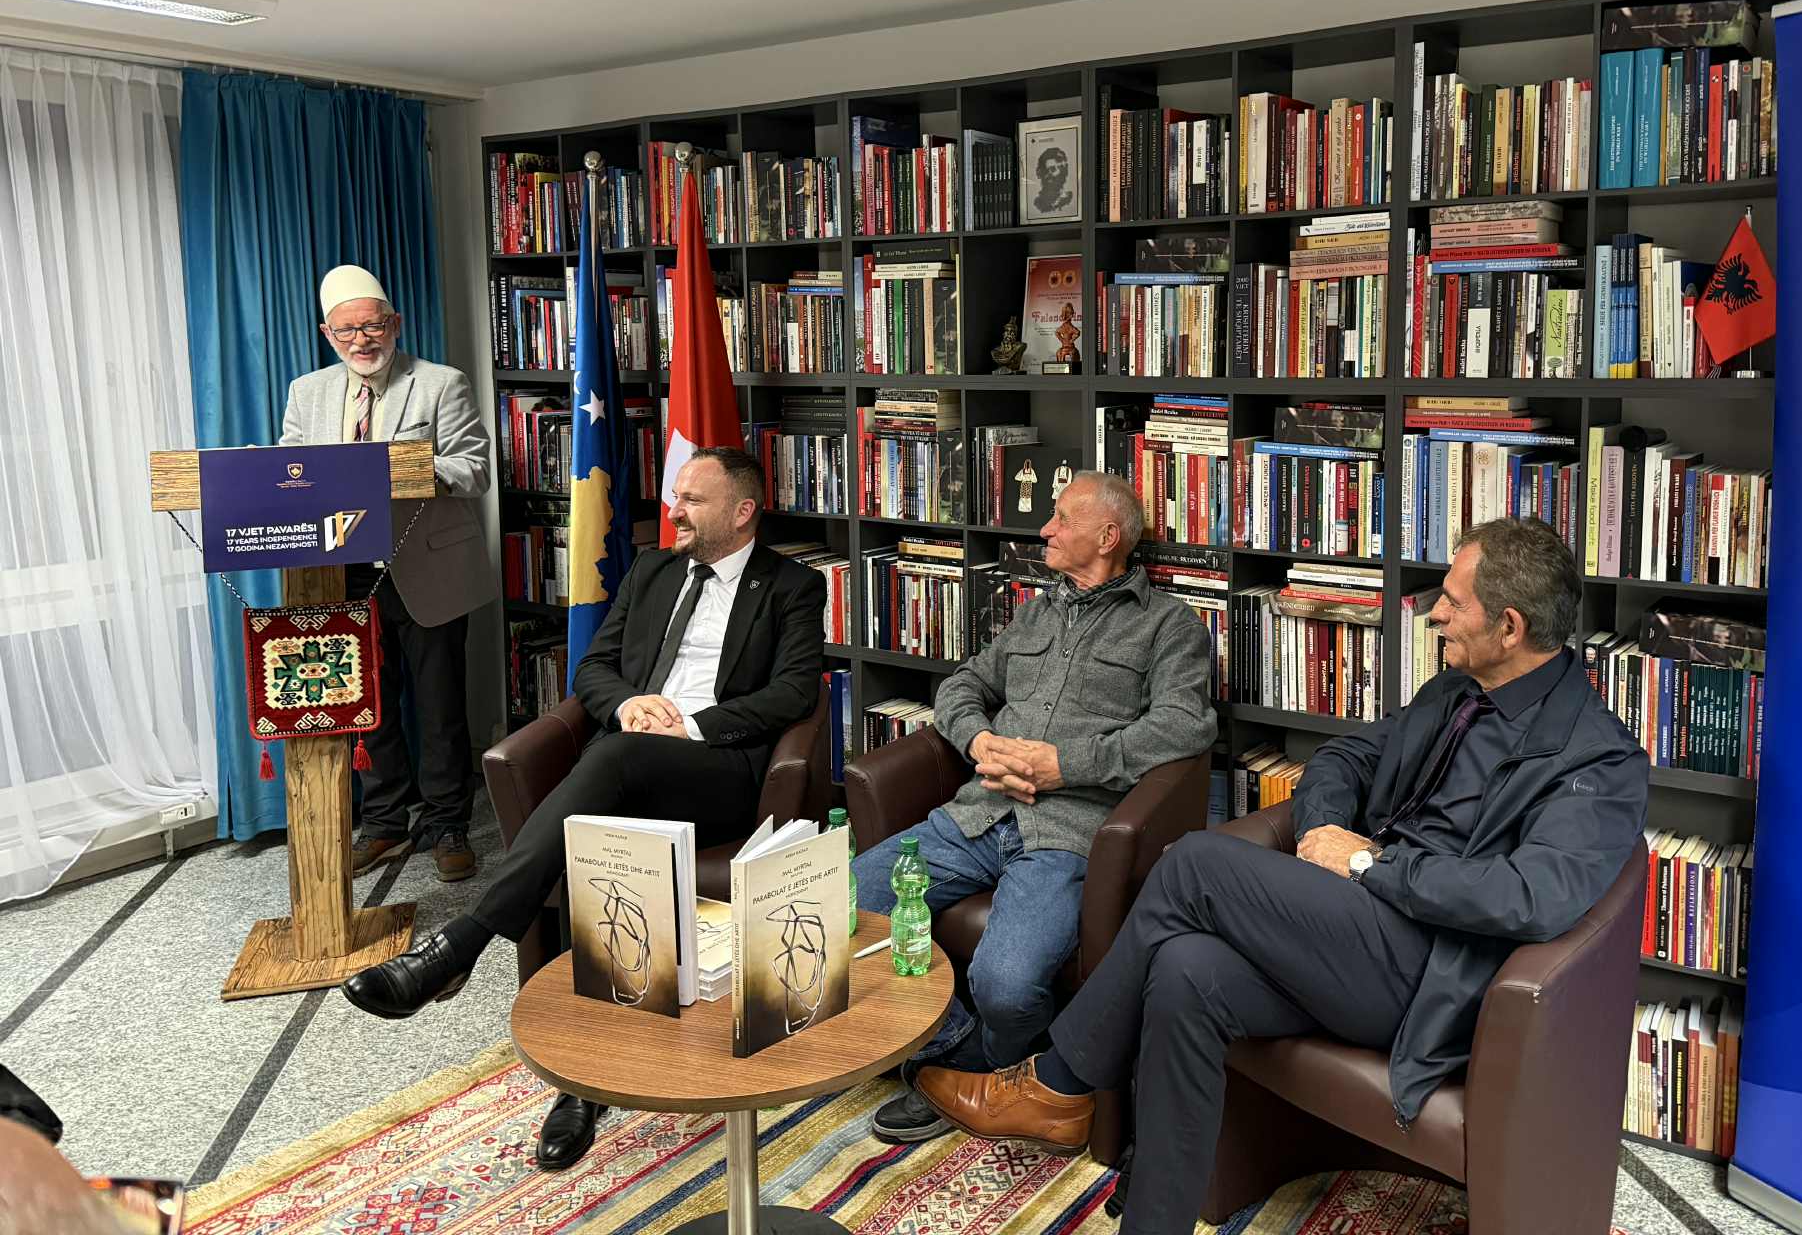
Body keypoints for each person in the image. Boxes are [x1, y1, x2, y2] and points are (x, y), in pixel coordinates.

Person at [915, 517, 1650, 1235]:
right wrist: (1326, 834)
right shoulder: (1458, 691)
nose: (1435, 615)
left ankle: (1060, 1081)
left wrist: (1369, 863)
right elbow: (1345, 758)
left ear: (1511, 627)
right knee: (1185, 969)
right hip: (1355, 925)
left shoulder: (1598, 759)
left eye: (1453, 603)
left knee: (1194, 863)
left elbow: (1531, 898)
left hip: (1433, 971)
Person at [342, 445, 825, 1171]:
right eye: (676, 497)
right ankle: (582, 1084)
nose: (674, 511)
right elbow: (593, 669)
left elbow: (793, 693)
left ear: (742, 511)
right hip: (629, 760)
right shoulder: (652, 570)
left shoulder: (791, 586)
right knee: (599, 823)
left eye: (692, 500)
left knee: (608, 766)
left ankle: (461, 946)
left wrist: (689, 726)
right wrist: (630, 705)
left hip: (719, 769)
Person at [855, 470, 1217, 1146]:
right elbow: (964, 685)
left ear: (1107, 536)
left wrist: (1065, 765)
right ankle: (951, 1052)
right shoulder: (1036, 612)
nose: (1045, 530)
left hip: (1067, 833)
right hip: (976, 814)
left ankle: (981, 1073)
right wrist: (980, 741)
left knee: (1008, 987)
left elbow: (1183, 729)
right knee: (843, 906)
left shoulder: (1169, 627)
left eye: (1061, 519)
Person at [280, 265, 495, 882]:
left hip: (428, 568)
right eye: (347, 331)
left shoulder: (441, 383)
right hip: (341, 570)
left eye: (372, 327)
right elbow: (290, 470)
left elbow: (475, 470)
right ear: (328, 334)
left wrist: (399, 468)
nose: (361, 341)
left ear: (394, 324)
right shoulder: (307, 392)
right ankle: (383, 823)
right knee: (367, 705)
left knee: (440, 705)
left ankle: (448, 823)